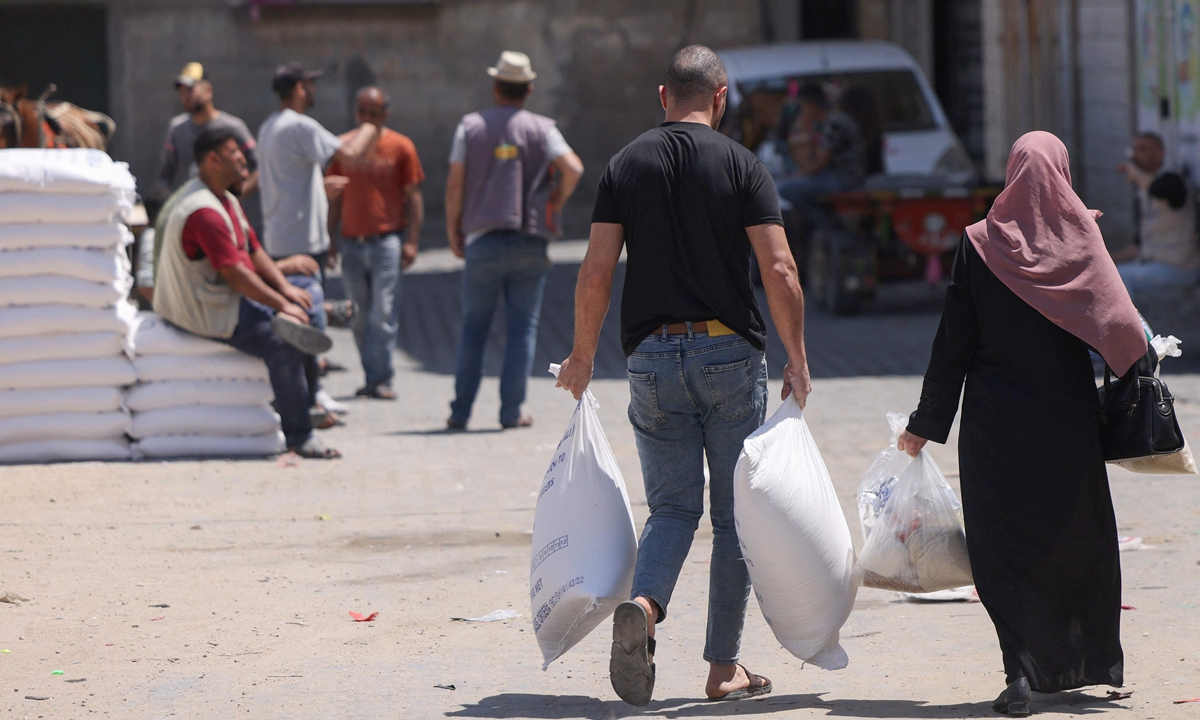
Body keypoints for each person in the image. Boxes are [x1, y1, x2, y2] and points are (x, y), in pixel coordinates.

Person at [555, 45, 812, 706]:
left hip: (650, 359)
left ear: (663, 97)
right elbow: (780, 269)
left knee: (671, 507)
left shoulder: (625, 164)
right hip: (729, 356)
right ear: (720, 97)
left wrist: (582, 356)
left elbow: (595, 272)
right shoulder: (743, 164)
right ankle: (722, 668)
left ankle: (645, 604)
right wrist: (798, 355)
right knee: (733, 518)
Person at [897, 132, 1142, 716]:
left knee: (1004, 549)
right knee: (1073, 539)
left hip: (996, 430)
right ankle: (1091, 662)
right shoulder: (1083, 239)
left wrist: (924, 424)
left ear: (1011, 174)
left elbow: (952, 344)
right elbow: (1124, 328)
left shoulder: (980, 245)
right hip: (1066, 425)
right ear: (1062, 173)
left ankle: (1023, 671)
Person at [154, 127, 342, 460]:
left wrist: (287, 291)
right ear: (213, 160)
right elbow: (235, 274)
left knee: (307, 293)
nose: (244, 157)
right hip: (204, 305)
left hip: (224, 292)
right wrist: (282, 304)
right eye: (235, 152)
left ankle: (308, 396)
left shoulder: (225, 199)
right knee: (282, 343)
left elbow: (253, 251)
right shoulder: (204, 211)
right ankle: (300, 435)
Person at [444, 50, 584, 430]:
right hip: (529, 240)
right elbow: (573, 167)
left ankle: (460, 412)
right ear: (529, 89)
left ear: (495, 87)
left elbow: (455, 182)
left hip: (483, 241)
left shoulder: (469, 127)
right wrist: (554, 200)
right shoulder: (543, 128)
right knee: (523, 329)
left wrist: (453, 228)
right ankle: (511, 412)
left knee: (474, 327)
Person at [327, 86, 425, 400]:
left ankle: (382, 378)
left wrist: (411, 241)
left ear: (385, 114)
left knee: (383, 312)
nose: (367, 118)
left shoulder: (400, 146)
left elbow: (414, 197)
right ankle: (370, 377)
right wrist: (329, 239)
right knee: (358, 313)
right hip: (351, 243)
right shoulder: (343, 148)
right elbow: (335, 199)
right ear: (356, 113)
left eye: (374, 112)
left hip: (387, 241)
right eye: (362, 112)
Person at [257, 63, 378, 278]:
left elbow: (283, 178)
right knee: (307, 307)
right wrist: (369, 127)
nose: (314, 90)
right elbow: (349, 155)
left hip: (278, 239)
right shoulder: (301, 126)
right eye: (310, 84)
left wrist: (318, 189)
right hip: (303, 243)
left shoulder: (268, 126)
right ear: (299, 89)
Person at [154, 62, 259, 201]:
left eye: (190, 90)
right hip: (192, 210)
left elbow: (260, 169)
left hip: (224, 213)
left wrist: (232, 197)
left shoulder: (232, 127)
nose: (185, 96)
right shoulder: (177, 129)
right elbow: (164, 177)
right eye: (182, 92)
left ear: (208, 91)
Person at [1114, 132, 1200, 293]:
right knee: (1108, 274)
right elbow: (1138, 246)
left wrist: (1136, 173)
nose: (1136, 155)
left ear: (1160, 154)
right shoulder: (1143, 192)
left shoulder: (1173, 179)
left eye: (1143, 149)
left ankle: (1127, 320)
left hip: (1180, 268)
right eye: (1135, 150)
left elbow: (1161, 189)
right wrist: (1105, 261)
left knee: (1119, 279)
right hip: (1152, 266)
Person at [775, 82, 866, 230]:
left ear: (810, 105)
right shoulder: (832, 121)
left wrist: (798, 176)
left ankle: (825, 224)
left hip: (844, 177)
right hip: (840, 175)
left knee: (786, 189)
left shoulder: (834, 122)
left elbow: (819, 163)